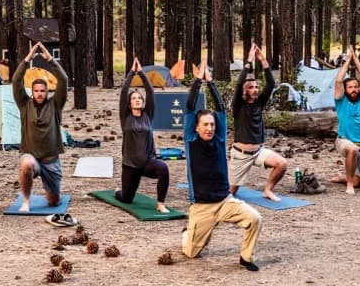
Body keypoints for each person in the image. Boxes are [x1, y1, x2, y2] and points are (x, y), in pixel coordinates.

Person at [181, 62, 263, 271]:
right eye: (205, 125)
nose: (209, 128)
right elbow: (189, 108)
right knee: (191, 253)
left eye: (212, 124)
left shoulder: (218, 139)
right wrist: (199, 81)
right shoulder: (191, 141)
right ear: (196, 127)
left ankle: (245, 257)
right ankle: (187, 233)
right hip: (202, 207)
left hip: (225, 201)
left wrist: (211, 83)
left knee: (255, 218)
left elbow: (220, 110)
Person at [12, 42, 69, 212]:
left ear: (47, 92)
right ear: (32, 91)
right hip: (31, 156)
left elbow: (64, 80)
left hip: (51, 160)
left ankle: (50, 191)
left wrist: (50, 59)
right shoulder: (24, 105)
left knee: (53, 202)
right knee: (26, 164)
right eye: (36, 90)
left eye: (42, 91)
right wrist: (27, 60)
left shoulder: (55, 105)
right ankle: (26, 201)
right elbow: (16, 80)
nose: (39, 93)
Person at [230, 44, 288, 202]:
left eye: (256, 87)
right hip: (240, 155)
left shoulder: (259, 103)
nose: (255, 89)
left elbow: (270, 84)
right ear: (244, 91)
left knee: (281, 163)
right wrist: (248, 61)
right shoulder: (238, 105)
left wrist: (263, 60)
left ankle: (268, 190)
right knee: (230, 193)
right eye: (251, 88)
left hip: (257, 152)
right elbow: (237, 84)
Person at [116, 57, 170, 213]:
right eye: (134, 98)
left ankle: (160, 204)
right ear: (129, 103)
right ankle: (118, 191)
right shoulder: (125, 117)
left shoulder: (148, 115)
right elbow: (124, 92)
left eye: (139, 98)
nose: (138, 100)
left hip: (147, 162)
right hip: (130, 165)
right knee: (126, 198)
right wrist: (132, 73)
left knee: (163, 169)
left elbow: (150, 91)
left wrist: (142, 73)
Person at [329, 46, 360, 194]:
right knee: (352, 150)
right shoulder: (341, 100)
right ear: (346, 89)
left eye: (355, 87)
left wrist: (357, 60)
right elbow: (338, 81)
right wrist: (347, 61)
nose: (353, 89)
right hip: (344, 140)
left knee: (358, 182)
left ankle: (345, 178)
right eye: (350, 87)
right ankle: (349, 184)